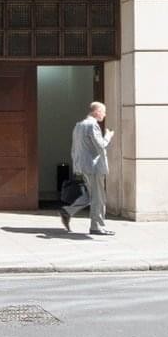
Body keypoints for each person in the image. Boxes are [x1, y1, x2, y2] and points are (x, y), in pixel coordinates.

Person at [60, 101, 115, 236]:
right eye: (103, 112)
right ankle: (97, 227)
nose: (104, 115)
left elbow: (74, 148)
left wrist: (77, 165)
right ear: (96, 112)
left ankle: (68, 211)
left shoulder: (79, 125)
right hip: (94, 166)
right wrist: (108, 136)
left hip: (84, 165)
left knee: (91, 195)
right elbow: (101, 146)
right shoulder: (92, 125)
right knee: (98, 198)